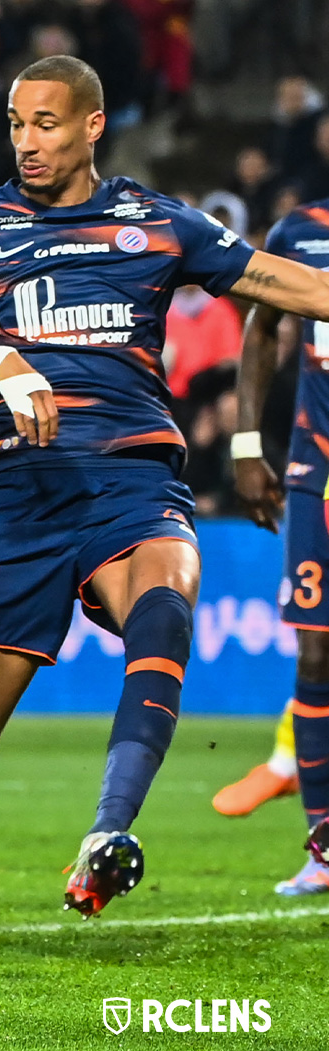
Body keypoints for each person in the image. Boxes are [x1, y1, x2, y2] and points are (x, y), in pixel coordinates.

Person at [0, 57, 329, 950]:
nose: (27, 141)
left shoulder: (154, 222)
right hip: (19, 497)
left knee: (167, 598)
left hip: (132, 481)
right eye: (15, 123)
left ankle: (108, 829)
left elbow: (292, 288)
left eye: (45, 123)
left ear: (91, 125)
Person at [232, 196, 329, 895]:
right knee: (318, 648)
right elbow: (262, 328)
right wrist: (245, 442)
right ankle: (324, 850)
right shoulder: (301, 230)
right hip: (316, 471)